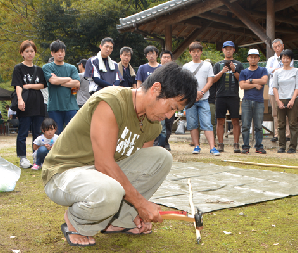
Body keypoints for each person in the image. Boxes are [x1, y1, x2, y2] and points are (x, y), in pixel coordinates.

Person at [41, 62, 197, 247]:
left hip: (99, 177)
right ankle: (77, 222)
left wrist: (139, 210)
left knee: (161, 158)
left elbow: (141, 173)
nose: (171, 116)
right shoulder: (111, 101)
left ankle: (119, 221)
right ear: (156, 89)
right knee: (110, 189)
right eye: (171, 107)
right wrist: (141, 204)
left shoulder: (152, 124)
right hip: (64, 173)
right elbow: (104, 165)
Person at [11, 40, 47, 168]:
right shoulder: (18, 68)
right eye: (27, 51)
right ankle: (22, 158)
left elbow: (42, 84)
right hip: (25, 104)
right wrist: (20, 99)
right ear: (22, 53)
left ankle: (37, 156)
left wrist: (30, 85)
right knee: (23, 132)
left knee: (37, 132)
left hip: (38, 103)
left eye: (32, 51)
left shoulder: (39, 69)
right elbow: (18, 85)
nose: (30, 54)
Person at [183, 42, 219, 155]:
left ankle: (212, 147)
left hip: (204, 99)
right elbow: (184, 83)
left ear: (201, 52)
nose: (196, 54)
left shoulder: (207, 65)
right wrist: (194, 93)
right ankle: (196, 146)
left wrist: (202, 92)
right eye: (193, 51)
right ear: (190, 52)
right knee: (192, 123)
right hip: (190, 99)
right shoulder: (186, 66)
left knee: (207, 123)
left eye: (198, 51)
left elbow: (210, 81)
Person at [42, 40, 80, 135]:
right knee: (56, 135)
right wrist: (68, 78)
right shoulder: (47, 67)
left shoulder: (72, 68)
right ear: (52, 53)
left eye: (62, 51)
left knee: (72, 133)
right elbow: (53, 81)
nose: (60, 54)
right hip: (54, 106)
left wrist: (59, 81)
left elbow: (77, 83)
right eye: (57, 51)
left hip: (71, 106)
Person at [212, 41, 244, 153]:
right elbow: (213, 80)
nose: (228, 50)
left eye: (231, 48)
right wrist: (222, 72)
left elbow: (242, 80)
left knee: (235, 120)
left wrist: (234, 70)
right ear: (223, 50)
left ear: (234, 50)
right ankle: (220, 144)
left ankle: (236, 144)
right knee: (219, 120)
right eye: (226, 48)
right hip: (220, 96)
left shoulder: (239, 64)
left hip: (234, 96)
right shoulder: (217, 64)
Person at [239, 49, 268, 154]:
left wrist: (250, 81)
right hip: (246, 101)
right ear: (248, 59)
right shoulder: (243, 72)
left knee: (258, 126)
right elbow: (242, 85)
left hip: (259, 101)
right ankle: (245, 146)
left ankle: (259, 146)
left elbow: (264, 80)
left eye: (255, 57)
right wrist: (255, 84)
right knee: (245, 125)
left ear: (258, 58)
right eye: (251, 57)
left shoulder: (263, 70)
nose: (253, 59)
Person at [272, 49, 298, 153]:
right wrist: (278, 101)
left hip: (292, 99)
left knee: (293, 124)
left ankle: (293, 146)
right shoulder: (277, 72)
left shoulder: (296, 71)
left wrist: (292, 100)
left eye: (287, 58)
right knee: (281, 124)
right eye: (283, 57)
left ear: (291, 59)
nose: (285, 60)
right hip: (280, 99)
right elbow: (274, 87)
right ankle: (281, 146)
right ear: (281, 59)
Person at [266, 39, 293, 143]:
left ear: (283, 46)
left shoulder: (289, 57)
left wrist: (274, 70)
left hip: (286, 90)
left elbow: (288, 69)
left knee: (286, 112)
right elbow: (267, 71)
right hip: (273, 90)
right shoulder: (271, 59)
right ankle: (277, 134)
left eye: (278, 46)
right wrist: (277, 69)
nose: (277, 48)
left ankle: (287, 134)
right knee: (275, 113)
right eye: (275, 47)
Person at [159, 50, 174, 151]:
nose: (166, 59)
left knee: (169, 123)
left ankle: (166, 141)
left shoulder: (175, 71)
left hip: (171, 101)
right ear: (160, 59)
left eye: (168, 57)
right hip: (160, 101)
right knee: (161, 125)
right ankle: (161, 144)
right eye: (164, 57)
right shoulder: (157, 70)